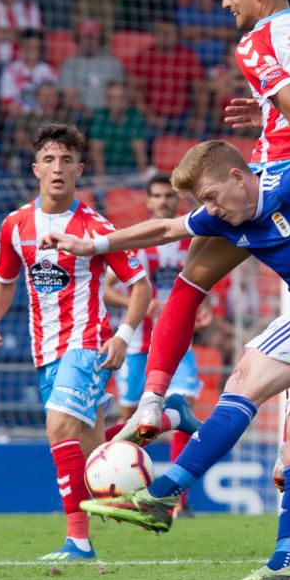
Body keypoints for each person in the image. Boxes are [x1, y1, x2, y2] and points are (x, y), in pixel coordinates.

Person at [40, 139, 290, 580]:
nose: (210, 210)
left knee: (245, 376)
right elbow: (166, 230)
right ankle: (284, 567)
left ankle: (164, 492)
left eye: (211, 196)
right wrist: (92, 246)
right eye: (202, 202)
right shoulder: (225, 211)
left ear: (238, 178)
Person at [110, 0, 290, 449]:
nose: (225, 1)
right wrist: (275, 120)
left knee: (190, 281)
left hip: (283, 184)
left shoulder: (256, 43)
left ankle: (154, 399)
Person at [0, 123, 154, 561]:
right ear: (36, 168)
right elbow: (4, 280)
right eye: (49, 160)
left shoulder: (94, 228)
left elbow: (141, 285)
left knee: (58, 429)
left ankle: (77, 540)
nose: (58, 168)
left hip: (88, 343)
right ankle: (168, 423)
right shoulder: (15, 225)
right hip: (45, 350)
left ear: (80, 169)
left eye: (66, 161)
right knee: (95, 453)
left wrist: (123, 334)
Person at [104, 173, 204, 518]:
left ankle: (179, 499)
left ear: (175, 201)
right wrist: (139, 305)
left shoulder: (188, 242)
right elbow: (107, 290)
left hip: (178, 342)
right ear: (148, 202)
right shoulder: (139, 242)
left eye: (167, 196)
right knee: (134, 421)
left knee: (184, 408)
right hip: (137, 345)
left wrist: (200, 312)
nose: (163, 201)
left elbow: (200, 284)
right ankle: (117, 481)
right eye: (157, 196)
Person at [127, 16, 209, 140]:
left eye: (168, 33)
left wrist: (198, 117)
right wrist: (149, 115)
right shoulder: (145, 56)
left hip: (184, 117)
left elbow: (200, 90)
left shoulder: (188, 56)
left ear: (177, 35)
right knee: (140, 135)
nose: (164, 36)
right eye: (161, 32)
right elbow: (135, 91)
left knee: (202, 135)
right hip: (152, 117)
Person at [59, 18, 125, 116]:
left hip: (109, 115)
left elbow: (120, 94)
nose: (89, 41)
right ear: (78, 38)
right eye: (85, 36)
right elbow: (69, 99)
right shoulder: (70, 64)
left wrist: (104, 114)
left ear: (100, 39)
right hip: (81, 116)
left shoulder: (113, 63)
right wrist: (90, 113)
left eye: (93, 37)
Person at [88, 81, 148, 180]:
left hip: (130, 169)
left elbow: (140, 151)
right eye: (112, 98)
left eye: (121, 98)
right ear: (107, 100)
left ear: (126, 100)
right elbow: (97, 151)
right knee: (99, 193)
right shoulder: (99, 116)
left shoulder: (135, 116)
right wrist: (101, 177)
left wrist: (143, 176)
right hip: (106, 170)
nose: (117, 102)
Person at [0, 29, 57, 119]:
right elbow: (6, 103)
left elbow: (53, 100)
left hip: (43, 119)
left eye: (34, 47)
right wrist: (27, 118)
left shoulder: (48, 71)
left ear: (40, 49)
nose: (31, 50)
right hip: (18, 119)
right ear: (21, 48)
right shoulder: (10, 70)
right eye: (27, 47)